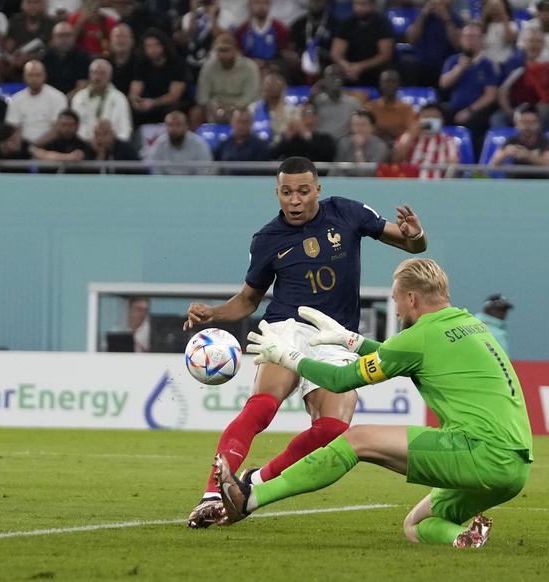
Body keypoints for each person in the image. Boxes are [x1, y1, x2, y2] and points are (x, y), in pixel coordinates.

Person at [219, 259, 532, 550]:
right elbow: (405, 356)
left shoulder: (420, 336)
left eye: (395, 298)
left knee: (357, 439)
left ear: (411, 298)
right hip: (515, 468)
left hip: (480, 452)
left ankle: (250, 497)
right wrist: (349, 340)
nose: (395, 308)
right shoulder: (469, 324)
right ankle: (464, 537)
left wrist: (288, 356)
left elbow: (341, 380)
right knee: (416, 525)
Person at [183, 156, 428, 528]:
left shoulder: (347, 213)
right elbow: (248, 300)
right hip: (286, 327)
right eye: (286, 193)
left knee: (333, 429)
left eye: (302, 191)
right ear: (277, 193)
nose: (294, 200)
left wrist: (415, 235)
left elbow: (413, 247)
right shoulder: (267, 239)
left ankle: (251, 483)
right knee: (261, 409)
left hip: (334, 335)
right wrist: (213, 314)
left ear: (317, 190)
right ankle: (212, 495)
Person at [329, 0, 393, 88]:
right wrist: (347, 66)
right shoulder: (347, 24)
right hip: (350, 70)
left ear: (372, 4)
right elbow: (335, 53)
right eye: (357, 4)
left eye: (364, 4)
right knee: (333, 70)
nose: (360, 8)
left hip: (374, 69)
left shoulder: (382, 24)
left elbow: (385, 55)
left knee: (387, 72)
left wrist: (360, 67)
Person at [6, 60, 66, 146]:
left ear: (44, 76)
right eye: (30, 75)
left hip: (51, 145)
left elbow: (58, 129)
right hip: (23, 148)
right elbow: (13, 128)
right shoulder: (16, 99)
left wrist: (36, 146)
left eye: (38, 75)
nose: (34, 79)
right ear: (24, 77)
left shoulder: (58, 97)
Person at [146, 109, 212, 175]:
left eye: (178, 125)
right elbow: (155, 170)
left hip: (193, 183)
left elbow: (203, 171)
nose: (174, 129)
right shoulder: (159, 143)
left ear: (186, 126)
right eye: (170, 125)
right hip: (165, 183)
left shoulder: (199, 144)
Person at [487, 105, 549, 176]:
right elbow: (492, 166)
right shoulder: (510, 141)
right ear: (516, 123)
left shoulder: (545, 141)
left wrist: (528, 156)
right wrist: (505, 153)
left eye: (531, 122)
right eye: (523, 122)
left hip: (539, 183)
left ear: (538, 124)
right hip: (515, 182)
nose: (527, 126)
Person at [365, 70, 415, 142]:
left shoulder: (407, 108)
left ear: (399, 85)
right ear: (380, 84)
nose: (389, 85)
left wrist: (384, 129)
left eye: (393, 82)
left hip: (398, 145)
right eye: (386, 81)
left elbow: (409, 133)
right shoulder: (370, 107)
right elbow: (366, 130)